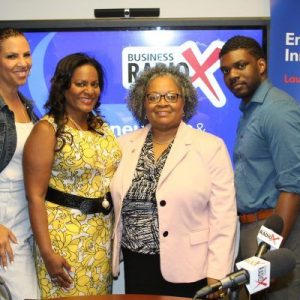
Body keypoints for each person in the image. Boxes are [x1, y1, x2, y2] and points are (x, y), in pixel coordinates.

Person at [110, 64, 237, 299]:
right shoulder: (123, 145)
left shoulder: (211, 147)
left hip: (190, 267)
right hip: (137, 264)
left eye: (171, 96)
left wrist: (218, 274)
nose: (162, 102)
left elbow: (224, 217)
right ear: (142, 103)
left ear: (184, 102)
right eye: (153, 97)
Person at [23, 52, 121, 298]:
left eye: (94, 84)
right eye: (81, 84)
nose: (89, 90)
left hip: (99, 240)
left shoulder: (101, 127)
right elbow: (35, 196)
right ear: (63, 86)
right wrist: (47, 253)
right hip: (63, 241)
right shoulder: (47, 129)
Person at [219, 35, 300, 299]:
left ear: (261, 65)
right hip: (251, 230)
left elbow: (292, 186)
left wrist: (267, 253)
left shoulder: (277, 109)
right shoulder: (251, 110)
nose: (232, 75)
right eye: (226, 70)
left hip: (274, 230)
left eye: (241, 66)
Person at [0, 28, 40, 300]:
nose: (23, 62)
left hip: (23, 229)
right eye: (12, 56)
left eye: (26, 54)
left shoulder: (27, 104)